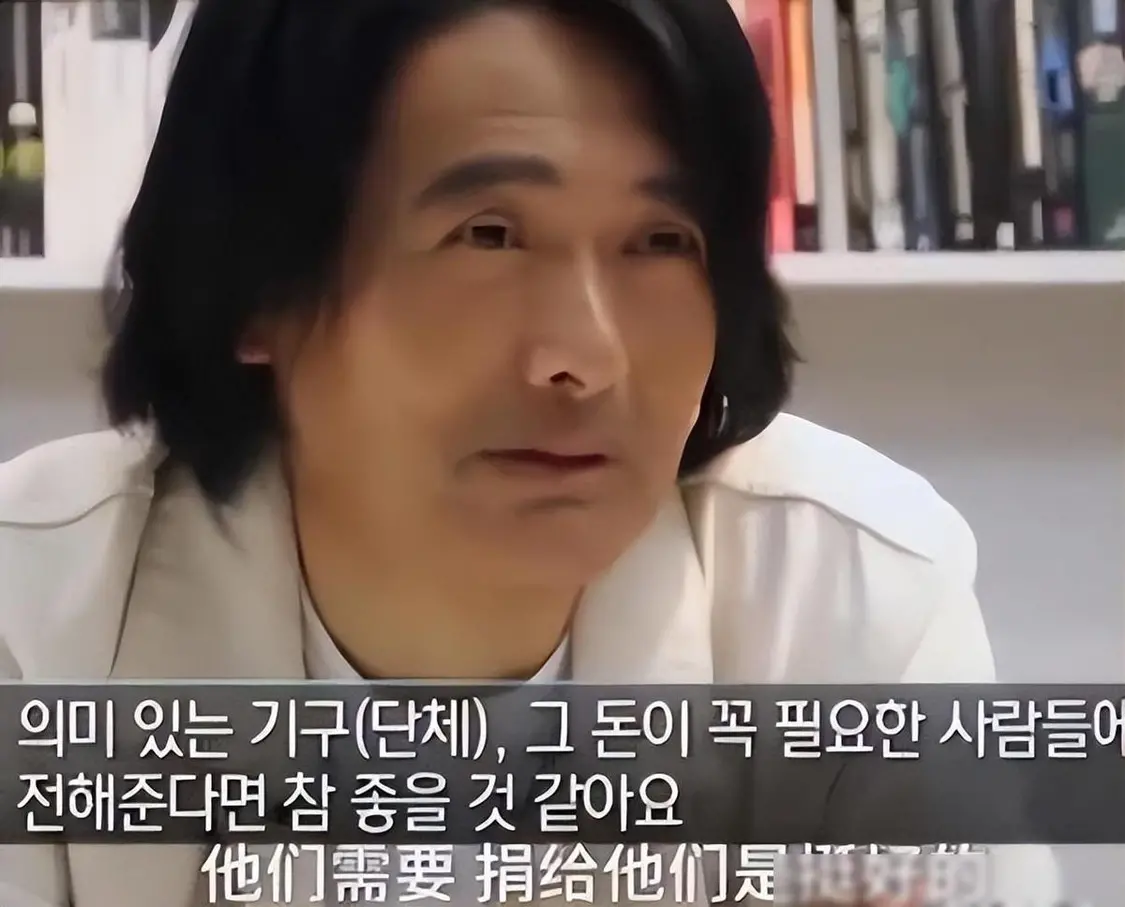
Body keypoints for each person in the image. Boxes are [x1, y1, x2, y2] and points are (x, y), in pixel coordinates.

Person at [0, 0, 1059, 904]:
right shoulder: (34, 617)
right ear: (257, 287)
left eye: (660, 242)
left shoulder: (850, 600)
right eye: (490, 235)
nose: (587, 357)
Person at [2, 101, 45, 256]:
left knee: (22, 235)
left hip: (26, 200)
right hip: (25, 200)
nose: (19, 131)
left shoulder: (22, 150)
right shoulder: (19, 150)